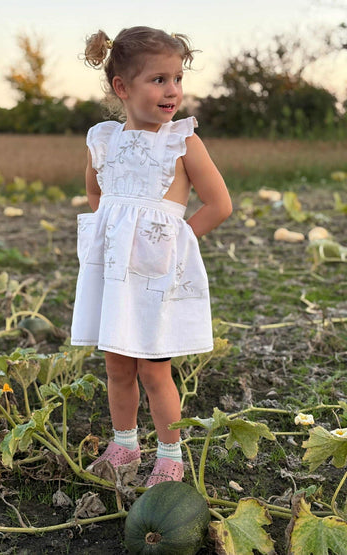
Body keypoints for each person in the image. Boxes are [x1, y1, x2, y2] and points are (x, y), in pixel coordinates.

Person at [71, 26, 232, 487]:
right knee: (117, 364)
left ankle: (169, 455)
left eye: (177, 78)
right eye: (158, 79)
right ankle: (124, 444)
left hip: (157, 274)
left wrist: (174, 243)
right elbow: (94, 194)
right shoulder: (102, 140)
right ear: (122, 87)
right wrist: (115, 240)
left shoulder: (182, 142)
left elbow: (220, 205)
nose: (173, 90)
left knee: (153, 367)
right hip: (116, 273)